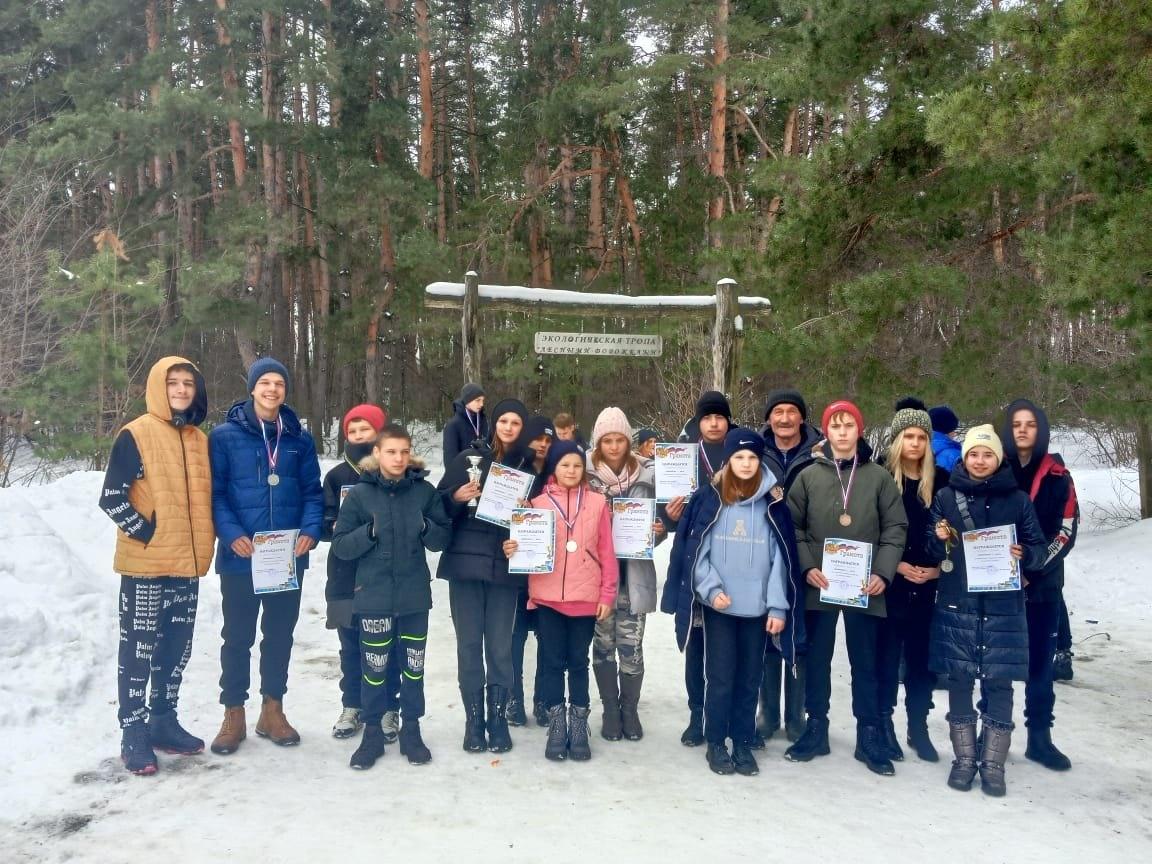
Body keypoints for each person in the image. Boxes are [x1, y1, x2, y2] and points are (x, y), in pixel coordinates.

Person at [99, 356, 216, 775]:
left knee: (176, 648)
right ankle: (133, 730)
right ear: (158, 388)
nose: (182, 390)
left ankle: (164, 721)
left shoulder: (201, 441)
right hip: (146, 566)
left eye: (189, 383)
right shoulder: (136, 433)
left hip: (187, 565)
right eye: (174, 383)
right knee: (139, 647)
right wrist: (147, 533)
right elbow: (112, 497)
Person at [668, 428, 805, 776]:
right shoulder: (711, 499)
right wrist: (712, 590)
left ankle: (742, 741)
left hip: (757, 609)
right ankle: (716, 741)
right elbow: (697, 553)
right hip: (722, 608)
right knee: (721, 676)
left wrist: (777, 606)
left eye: (752, 458)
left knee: (749, 678)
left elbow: (782, 561)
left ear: (761, 462)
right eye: (739, 458)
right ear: (728, 461)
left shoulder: (772, 505)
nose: (746, 464)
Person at [784, 400, 907, 776]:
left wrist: (883, 574)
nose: (841, 432)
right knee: (816, 659)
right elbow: (794, 527)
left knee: (865, 661)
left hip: (864, 585)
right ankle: (816, 726)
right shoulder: (807, 475)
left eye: (848, 425)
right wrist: (807, 567)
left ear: (859, 430)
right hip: (820, 583)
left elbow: (895, 528)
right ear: (826, 432)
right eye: (834, 426)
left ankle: (867, 734)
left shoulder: (879, 477)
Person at [209, 358, 324, 755]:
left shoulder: (299, 439)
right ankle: (233, 713)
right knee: (237, 637)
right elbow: (217, 493)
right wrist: (231, 534)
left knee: (278, 635)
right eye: (266, 382)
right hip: (242, 556)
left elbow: (313, 493)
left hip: (285, 558)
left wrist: (310, 531)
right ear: (253, 388)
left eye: (280, 383)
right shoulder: (224, 436)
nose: (273, 389)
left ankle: (272, 710)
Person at [928, 424, 1047, 796]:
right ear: (965, 458)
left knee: (999, 682)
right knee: (960, 679)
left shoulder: (1018, 500)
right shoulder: (946, 497)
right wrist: (938, 538)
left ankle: (993, 763)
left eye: (987, 454)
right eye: (974, 454)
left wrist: (1024, 554)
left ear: (998, 460)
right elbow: (930, 550)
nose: (980, 461)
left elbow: (1039, 549)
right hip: (957, 601)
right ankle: (964, 759)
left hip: (1002, 606)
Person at [332, 424, 452, 768]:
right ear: (378, 454)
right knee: (375, 669)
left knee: (413, 668)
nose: (398, 459)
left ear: (410, 453)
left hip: (414, 597)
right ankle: (372, 734)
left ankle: (411, 730)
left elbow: (442, 538)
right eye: (390, 452)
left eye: (403, 451)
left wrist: (428, 528)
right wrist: (368, 533)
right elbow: (340, 545)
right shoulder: (360, 495)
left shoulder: (424, 492)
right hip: (373, 597)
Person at [504, 440, 617, 760]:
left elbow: (607, 553)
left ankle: (579, 724)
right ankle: (556, 723)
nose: (571, 470)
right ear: (554, 467)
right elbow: (521, 545)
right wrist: (513, 548)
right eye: (565, 464)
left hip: (585, 597)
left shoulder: (597, 503)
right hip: (548, 597)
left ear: (584, 469)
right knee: (552, 663)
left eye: (577, 465)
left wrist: (607, 593)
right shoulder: (536, 504)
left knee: (578, 663)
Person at [437, 398, 536, 754]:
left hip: (504, 570)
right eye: (504, 421)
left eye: (516, 423)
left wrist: (523, 529)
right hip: (465, 565)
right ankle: (473, 721)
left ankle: (497, 718)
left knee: (499, 646)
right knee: (468, 645)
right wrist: (456, 496)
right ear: (494, 424)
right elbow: (437, 508)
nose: (509, 427)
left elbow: (538, 527)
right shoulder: (468, 460)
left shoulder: (529, 470)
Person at [1000, 399, 1080, 771]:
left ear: (1041, 429)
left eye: (1030, 424)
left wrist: (1033, 565)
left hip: (1043, 586)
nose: (1022, 430)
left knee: (1039, 668)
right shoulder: (995, 470)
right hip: (999, 588)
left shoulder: (1058, 476)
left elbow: (1065, 531)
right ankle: (995, 732)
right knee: (996, 665)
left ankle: (1039, 737)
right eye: (1016, 423)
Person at [321, 403, 402, 743]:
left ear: (378, 433)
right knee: (350, 644)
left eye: (364, 430)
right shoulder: (336, 476)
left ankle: (387, 707)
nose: (357, 436)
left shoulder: (391, 472)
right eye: (352, 432)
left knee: (390, 644)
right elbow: (323, 521)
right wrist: (333, 524)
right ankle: (352, 704)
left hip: (383, 573)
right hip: (344, 573)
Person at [586, 407, 666, 741]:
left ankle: (629, 710)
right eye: (608, 440)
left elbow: (664, 519)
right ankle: (609, 710)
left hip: (634, 576)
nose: (615, 446)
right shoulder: (585, 475)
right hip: (597, 579)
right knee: (603, 646)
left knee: (631, 647)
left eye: (620, 439)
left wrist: (660, 529)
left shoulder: (649, 473)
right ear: (598, 443)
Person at [876, 398, 949, 763]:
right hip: (891, 583)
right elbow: (867, 532)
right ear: (897, 440)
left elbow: (957, 535)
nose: (915, 443)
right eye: (909, 436)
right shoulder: (880, 477)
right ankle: (885, 723)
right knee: (888, 657)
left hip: (931, 584)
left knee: (922, 661)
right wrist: (896, 566)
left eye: (922, 436)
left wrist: (939, 569)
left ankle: (917, 726)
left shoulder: (945, 483)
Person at [661, 390, 732, 747]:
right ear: (699, 423)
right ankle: (695, 716)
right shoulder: (683, 456)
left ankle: (726, 716)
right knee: (696, 644)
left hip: (732, 561)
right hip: (693, 559)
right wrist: (669, 517)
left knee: (728, 648)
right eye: (707, 417)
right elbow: (668, 512)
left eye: (720, 417)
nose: (714, 423)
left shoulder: (739, 454)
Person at [756, 387, 822, 745]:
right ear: (769, 418)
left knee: (801, 633)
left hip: (806, 553)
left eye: (791, 411)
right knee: (768, 631)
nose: (784, 418)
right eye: (777, 411)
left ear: (801, 417)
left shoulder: (818, 452)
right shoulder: (755, 450)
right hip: (764, 550)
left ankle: (796, 714)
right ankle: (768, 711)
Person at [511, 414, 554, 726]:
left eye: (548, 440)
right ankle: (514, 699)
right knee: (513, 640)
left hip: (548, 574)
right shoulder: (513, 474)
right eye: (537, 438)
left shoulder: (558, 476)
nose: (542, 444)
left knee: (547, 641)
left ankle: (544, 700)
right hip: (515, 574)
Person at [443, 383, 488, 467]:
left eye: (482, 400)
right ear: (468, 400)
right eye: (478, 400)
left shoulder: (483, 420)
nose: (481, 404)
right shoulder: (453, 425)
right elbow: (450, 461)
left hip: (484, 475)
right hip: (464, 477)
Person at [929, 405, 962, 474]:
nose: (955, 434)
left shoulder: (917, 449)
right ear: (947, 430)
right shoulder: (955, 456)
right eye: (953, 430)